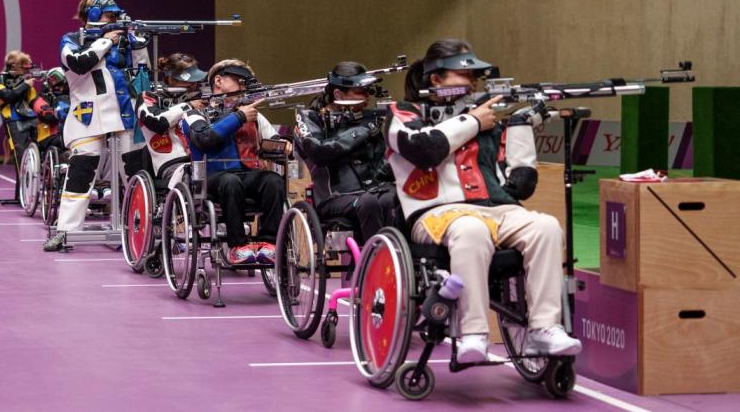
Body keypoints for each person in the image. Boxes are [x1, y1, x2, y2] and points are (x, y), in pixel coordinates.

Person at [385, 39, 581, 363]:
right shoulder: (402, 114)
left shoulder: (490, 117)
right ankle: (473, 334)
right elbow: (424, 150)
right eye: (466, 75)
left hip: (498, 208)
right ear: (436, 79)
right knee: (470, 229)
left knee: (546, 226)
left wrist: (519, 127)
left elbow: (519, 184)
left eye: (477, 77)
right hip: (436, 214)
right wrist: (473, 121)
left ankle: (545, 328)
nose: (474, 83)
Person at [44, 0, 149, 251]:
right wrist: (106, 41)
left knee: (135, 176)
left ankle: (143, 232)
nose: (114, 20)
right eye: (109, 15)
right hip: (88, 115)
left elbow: (142, 73)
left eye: (116, 16)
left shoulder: (122, 41)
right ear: (93, 16)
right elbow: (79, 63)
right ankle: (66, 231)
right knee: (80, 174)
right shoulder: (71, 40)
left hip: (124, 114)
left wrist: (138, 44)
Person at [182, 59, 288, 265]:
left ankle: (269, 244)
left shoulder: (252, 114)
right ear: (218, 81)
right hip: (209, 180)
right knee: (230, 181)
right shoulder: (193, 114)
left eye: (246, 83)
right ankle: (238, 246)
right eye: (239, 81)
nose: (243, 87)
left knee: (273, 181)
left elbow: (273, 139)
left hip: (247, 176)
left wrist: (284, 144)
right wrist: (239, 117)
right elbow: (205, 139)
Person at [294, 61, 399, 241]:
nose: (367, 97)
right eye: (360, 92)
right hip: (332, 197)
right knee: (369, 202)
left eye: (368, 91)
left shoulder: (367, 119)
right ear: (338, 94)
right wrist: (363, 129)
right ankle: (375, 261)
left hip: (372, 190)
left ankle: (401, 259)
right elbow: (320, 153)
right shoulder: (311, 118)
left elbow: (380, 166)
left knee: (394, 198)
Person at [0, 51, 50, 199]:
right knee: (21, 158)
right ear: (14, 66)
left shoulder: (26, 79)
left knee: (44, 152)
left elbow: (33, 100)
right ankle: (22, 195)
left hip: (33, 119)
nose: (26, 71)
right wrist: (25, 85)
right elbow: (8, 96)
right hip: (14, 121)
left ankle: (43, 192)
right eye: (24, 68)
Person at [136, 53, 206, 183]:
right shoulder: (149, 97)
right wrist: (188, 106)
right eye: (188, 80)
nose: (193, 84)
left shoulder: (200, 97)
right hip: (171, 162)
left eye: (194, 80)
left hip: (202, 159)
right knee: (190, 177)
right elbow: (156, 122)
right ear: (171, 80)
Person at [36, 67, 69, 153]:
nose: (59, 88)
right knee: (65, 140)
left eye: (62, 85)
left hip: (69, 133)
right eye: (56, 86)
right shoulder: (40, 98)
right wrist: (57, 112)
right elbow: (47, 117)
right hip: (48, 136)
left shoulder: (71, 96)